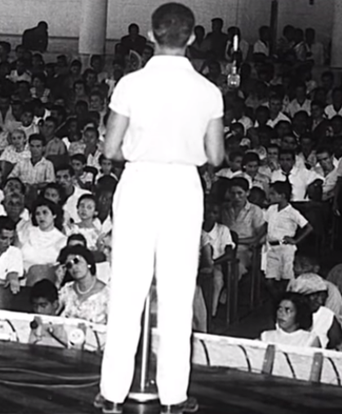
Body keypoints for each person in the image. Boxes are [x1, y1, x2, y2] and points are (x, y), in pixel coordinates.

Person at [97, 4, 224, 414]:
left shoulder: (130, 84)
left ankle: (112, 393)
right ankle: (173, 396)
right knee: (177, 291)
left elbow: (111, 148)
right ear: (191, 37)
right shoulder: (208, 91)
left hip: (138, 182)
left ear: (151, 35)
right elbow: (217, 156)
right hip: (183, 187)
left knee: (128, 288)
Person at [57, 245, 109, 324]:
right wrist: (57, 283)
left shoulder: (107, 293)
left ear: (88, 262)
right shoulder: (67, 289)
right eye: (69, 265)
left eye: (77, 261)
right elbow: (53, 314)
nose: (74, 267)